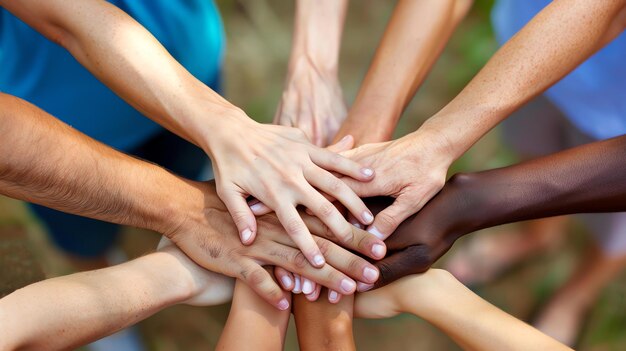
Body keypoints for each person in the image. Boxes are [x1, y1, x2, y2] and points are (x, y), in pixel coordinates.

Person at [0, 0, 377, 272]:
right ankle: (102, 297)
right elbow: (66, 19)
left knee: (198, 174)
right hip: (56, 131)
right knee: (85, 240)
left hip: (189, 66)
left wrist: (313, 67)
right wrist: (223, 129)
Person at [444, 0, 626, 345]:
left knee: (618, 228)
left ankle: (577, 295)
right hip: (531, 53)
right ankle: (537, 238)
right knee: (532, 150)